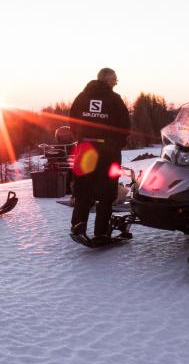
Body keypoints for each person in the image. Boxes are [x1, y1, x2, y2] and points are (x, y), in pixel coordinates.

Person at [68, 68, 131, 245]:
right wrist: (117, 144)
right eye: (115, 80)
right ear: (108, 79)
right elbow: (125, 125)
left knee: (83, 189)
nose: (116, 83)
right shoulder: (114, 99)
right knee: (107, 191)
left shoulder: (82, 97)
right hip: (107, 151)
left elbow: (72, 121)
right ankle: (101, 232)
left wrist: (80, 138)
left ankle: (77, 226)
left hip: (84, 147)